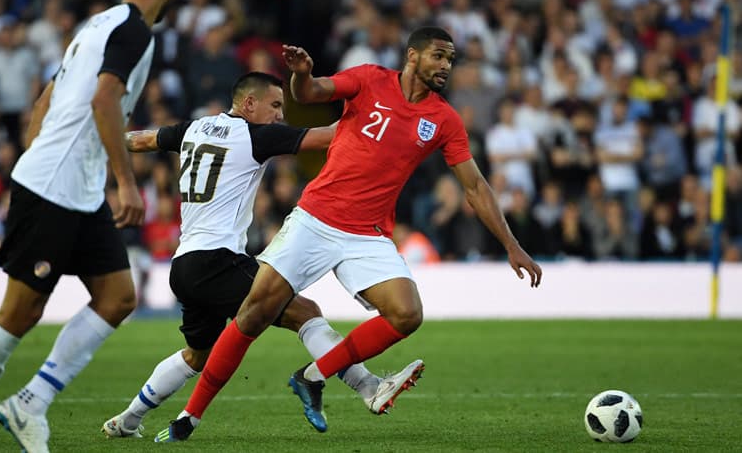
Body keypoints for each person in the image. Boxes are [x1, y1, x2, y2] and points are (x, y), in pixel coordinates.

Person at [155, 26, 542, 442]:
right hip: (315, 218)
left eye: (450, 59)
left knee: (407, 314)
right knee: (252, 314)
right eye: (438, 56)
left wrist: (511, 245)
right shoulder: (370, 78)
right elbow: (311, 93)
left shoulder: (444, 119)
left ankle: (311, 376)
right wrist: (302, 75)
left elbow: (474, 185)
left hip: (368, 233)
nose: (446, 65)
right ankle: (189, 418)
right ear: (413, 56)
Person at [0, 0, 179, 452]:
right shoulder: (135, 31)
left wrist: (43, 155)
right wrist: (125, 183)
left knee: (118, 297)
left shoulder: (95, 25)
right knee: (20, 312)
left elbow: (45, 100)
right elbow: (104, 101)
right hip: (54, 188)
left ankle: (31, 402)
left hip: (73, 188)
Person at [101, 72, 422, 439]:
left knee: (198, 355)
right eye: (275, 106)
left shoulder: (193, 128)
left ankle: (128, 419)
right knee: (306, 312)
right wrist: (380, 112)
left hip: (185, 263)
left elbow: (142, 140)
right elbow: (330, 136)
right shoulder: (255, 136)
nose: (279, 116)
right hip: (219, 260)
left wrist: (101, 138)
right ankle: (368, 387)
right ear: (248, 104)